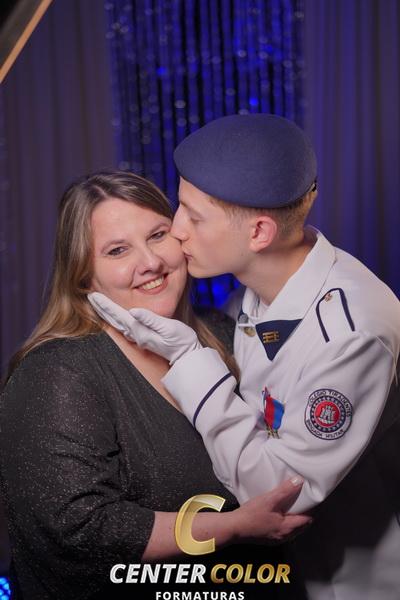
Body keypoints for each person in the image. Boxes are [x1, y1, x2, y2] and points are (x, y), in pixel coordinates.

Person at [90, 115, 400, 600]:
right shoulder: (256, 291)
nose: (176, 230)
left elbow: (273, 496)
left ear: (259, 233)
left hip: (348, 584)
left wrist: (188, 358)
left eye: (194, 217)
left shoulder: (349, 333)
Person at [0, 170, 311, 600]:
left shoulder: (224, 334)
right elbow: (79, 528)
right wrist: (232, 527)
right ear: (84, 276)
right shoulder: (57, 372)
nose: (150, 262)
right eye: (117, 250)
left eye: (158, 235)